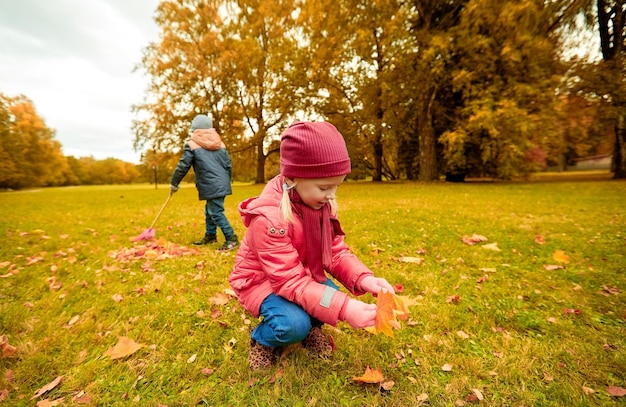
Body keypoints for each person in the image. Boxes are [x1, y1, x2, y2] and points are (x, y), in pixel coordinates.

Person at [228, 121, 395, 371]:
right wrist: (344, 307)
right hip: (262, 282)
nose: (331, 195)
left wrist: (364, 279)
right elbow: (288, 282)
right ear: (293, 177)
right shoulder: (270, 219)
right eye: (325, 187)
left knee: (328, 293)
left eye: (336, 186)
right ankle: (263, 340)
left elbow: (335, 251)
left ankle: (310, 329)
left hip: (301, 275)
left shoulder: (318, 205)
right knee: (294, 323)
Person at [170, 114, 239, 251]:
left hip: (211, 182)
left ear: (195, 129)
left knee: (215, 212)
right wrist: (227, 180)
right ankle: (210, 235)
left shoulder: (192, 144)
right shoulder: (220, 144)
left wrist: (174, 183)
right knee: (210, 210)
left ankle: (231, 238)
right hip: (221, 182)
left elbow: (183, 166)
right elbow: (228, 165)